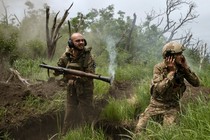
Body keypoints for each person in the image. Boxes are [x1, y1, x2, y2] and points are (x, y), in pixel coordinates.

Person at [135, 41, 200, 133]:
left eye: (181, 54)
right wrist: (171, 73)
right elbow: (159, 89)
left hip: (172, 106)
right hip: (156, 104)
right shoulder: (159, 68)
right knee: (139, 128)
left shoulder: (182, 68)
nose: (182, 56)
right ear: (170, 56)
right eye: (179, 54)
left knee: (168, 132)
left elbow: (196, 83)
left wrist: (186, 68)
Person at [56, 33, 96, 135]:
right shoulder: (66, 56)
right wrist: (65, 75)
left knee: (87, 114)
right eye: (77, 41)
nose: (81, 42)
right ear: (71, 43)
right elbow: (57, 71)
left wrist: (72, 76)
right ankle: (64, 135)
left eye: (82, 40)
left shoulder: (88, 56)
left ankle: (87, 135)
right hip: (71, 90)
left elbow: (90, 75)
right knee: (69, 115)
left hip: (85, 90)